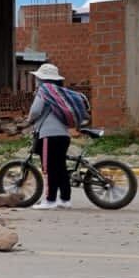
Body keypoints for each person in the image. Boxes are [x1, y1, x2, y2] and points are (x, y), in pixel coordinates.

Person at [23, 62, 88, 210]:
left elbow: (35, 110)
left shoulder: (44, 91)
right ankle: (65, 200)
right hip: (63, 136)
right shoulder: (60, 92)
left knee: (48, 169)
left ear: (42, 79)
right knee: (60, 168)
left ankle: (49, 200)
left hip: (48, 136)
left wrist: (29, 119)